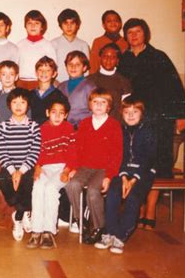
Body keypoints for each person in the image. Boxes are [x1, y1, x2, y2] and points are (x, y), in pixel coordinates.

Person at [118, 18, 185, 230]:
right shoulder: (124, 60)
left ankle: (150, 211)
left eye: (137, 32)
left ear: (145, 34)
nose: (133, 36)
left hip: (159, 119)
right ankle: (138, 209)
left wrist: (181, 114)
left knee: (158, 164)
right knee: (136, 163)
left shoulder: (159, 57)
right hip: (133, 119)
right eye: (129, 32)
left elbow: (175, 87)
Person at [95, 97, 156, 254]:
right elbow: (117, 155)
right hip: (121, 171)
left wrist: (133, 179)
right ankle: (109, 233)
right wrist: (123, 177)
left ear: (142, 114)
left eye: (135, 112)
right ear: (121, 113)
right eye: (127, 112)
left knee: (133, 198)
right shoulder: (119, 130)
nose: (130, 115)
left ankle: (120, 237)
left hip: (143, 173)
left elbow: (149, 159)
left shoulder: (148, 130)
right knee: (112, 195)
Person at [65, 88, 123, 244]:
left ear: (109, 107)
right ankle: (81, 222)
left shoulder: (114, 125)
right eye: (95, 102)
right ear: (90, 105)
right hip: (85, 167)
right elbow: (77, 148)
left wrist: (109, 176)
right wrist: (74, 168)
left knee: (92, 191)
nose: (98, 105)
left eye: (103, 102)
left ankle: (98, 226)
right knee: (72, 185)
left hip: (103, 169)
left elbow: (116, 153)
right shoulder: (84, 123)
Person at [28, 99, 76, 249]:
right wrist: (37, 166)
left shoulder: (69, 129)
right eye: (54, 112)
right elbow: (38, 152)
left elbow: (73, 153)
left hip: (62, 168)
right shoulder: (41, 129)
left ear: (66, 115)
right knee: (38, 187)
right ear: (47, 113)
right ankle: (36, 231)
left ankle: (48, 232)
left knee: (50, 189)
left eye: (61, 113)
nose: (57, 116)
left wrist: (67, 169)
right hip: (44, 167)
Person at [0, 88, 41, 241]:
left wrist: (20, 171)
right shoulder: (3, 126)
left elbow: (34, 152)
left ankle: (19, 216)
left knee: (28, 182)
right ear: (9, 105)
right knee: (4, 182)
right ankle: (24, 209)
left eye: (23, 102)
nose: (18, 106)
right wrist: (11, 170)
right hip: (8, 165)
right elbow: (2, 152)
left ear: (28, 105)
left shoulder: (33, 126)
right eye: (15, 102)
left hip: (26, 166)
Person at [88, 43, 131, 121]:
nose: (108, 59)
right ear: (100, 58)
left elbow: (126, 108)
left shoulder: (124, 82)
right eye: (105, 56)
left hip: (115, 123)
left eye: (113, 57)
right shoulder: (89, 80)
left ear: (117, 61)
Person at [17, 10, 57, 90]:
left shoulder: (48, 45)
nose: (33, 26)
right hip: (21, 83)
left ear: (42, 27)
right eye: (29, 23)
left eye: (36, 23)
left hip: (39, 83)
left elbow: (53, 66)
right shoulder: (19, 45)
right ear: (25, 26)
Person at [58, 51, 96, 127]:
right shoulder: (61, 86)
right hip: (63, 127)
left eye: (77, 65)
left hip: (83, 127)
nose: (73, 67)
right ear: (66, 66)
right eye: (70, 64)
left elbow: (94, 110)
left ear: (84, 68)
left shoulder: (90, 86)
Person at [51, 8, 90, 83]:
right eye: (66, 23)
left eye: (72, 23)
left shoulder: (83, 45)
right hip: (58, 84)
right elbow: (50, 67)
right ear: (60, 25)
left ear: (77, 25)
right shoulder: (53, 43)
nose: (69, 27)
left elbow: (86, 70)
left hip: (78, 84)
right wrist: (53, 81)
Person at [29, 56, 68, 125]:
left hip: (50, 132)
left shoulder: (59, 96)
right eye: (40, 70)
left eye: (48, 70)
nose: (44, 73)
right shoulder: (30, 94)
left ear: (54, 74)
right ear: (36, 73)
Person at [0, 60, 20, 124]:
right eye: (4, 74)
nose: (8, 77)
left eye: (11, 74)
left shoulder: (22, 95)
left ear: (16, 77)